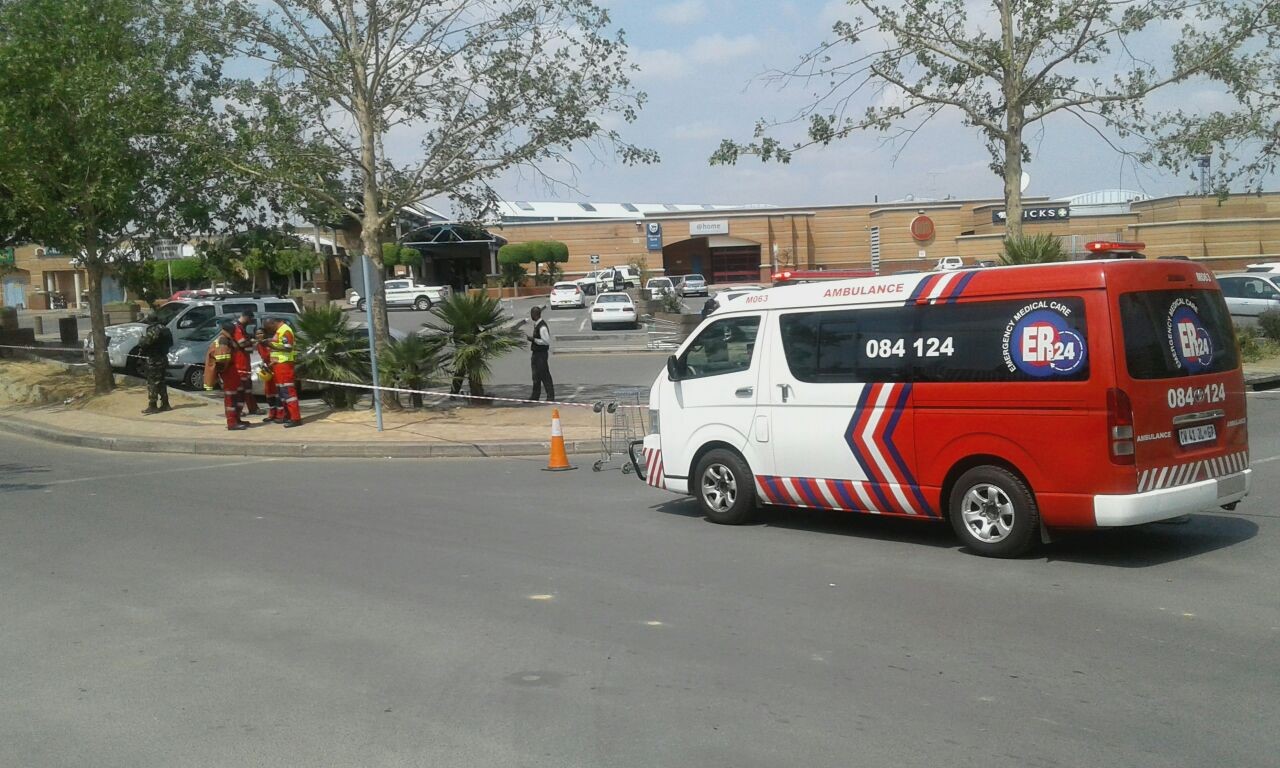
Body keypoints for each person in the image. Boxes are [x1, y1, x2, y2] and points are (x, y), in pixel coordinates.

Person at [204, 321, 247, 431]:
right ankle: (232, 423)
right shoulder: (223, 340)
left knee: (238, 394)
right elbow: (221, 359)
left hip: (231, 371)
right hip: (229, 372)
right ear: (231, 330)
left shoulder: (225, 339)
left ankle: (236, 419)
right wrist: (223, 374)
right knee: (231, 397)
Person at [264, 316, 302, 428]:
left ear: (272, 323)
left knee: (288, 393)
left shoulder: (285, 330)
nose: (268, 330)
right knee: (282, 393)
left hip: (284, 365)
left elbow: (288, 348)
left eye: (268, 327)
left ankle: (295, 418)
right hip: (278, 366)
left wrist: (270, 345)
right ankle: (288, 415)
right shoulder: (279, 331)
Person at [137, 313, 173, 414]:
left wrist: (141, 340)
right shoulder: (166, 329)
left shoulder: (153, 330)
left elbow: (145, 343)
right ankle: (165, 404)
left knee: (152, 382)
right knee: (161, 381)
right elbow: (171, 343)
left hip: (154, 359)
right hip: (163, 358)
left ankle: (152, 405)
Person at [231, 310, 261, 417]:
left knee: (248, 387)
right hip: (240, 363)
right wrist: (251, 342)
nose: (250, 322)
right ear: (246, 317)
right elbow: (242, 343)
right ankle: (238, 410)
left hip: (245, 362)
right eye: (250, 319)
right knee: (241, 388)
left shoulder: (241, 328)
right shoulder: (237, 328)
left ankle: (253, 408)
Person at [255, 326, 282, 423]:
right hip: (268, 371)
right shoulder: (259, 345)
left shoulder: (270, 343)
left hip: (276, 369)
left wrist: (269, 365)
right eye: (257, 334)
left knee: (278, 393)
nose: (259, 335)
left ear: (265, 334)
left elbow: (277, 357)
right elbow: (263, 358)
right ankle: (272, 414)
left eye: (261, 333)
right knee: (269, 393)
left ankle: (280, 415)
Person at [527, 305, 554, 402]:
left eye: (532, 314)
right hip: (535, 354)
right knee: (536, 376)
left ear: (536, 314)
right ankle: (535, 396)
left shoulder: (542, 326)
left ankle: (550, 396)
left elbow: (546, 341)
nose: (531, 316)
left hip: (541, 355)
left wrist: (533, 339)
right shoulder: (537, 324)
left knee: (544, 375)